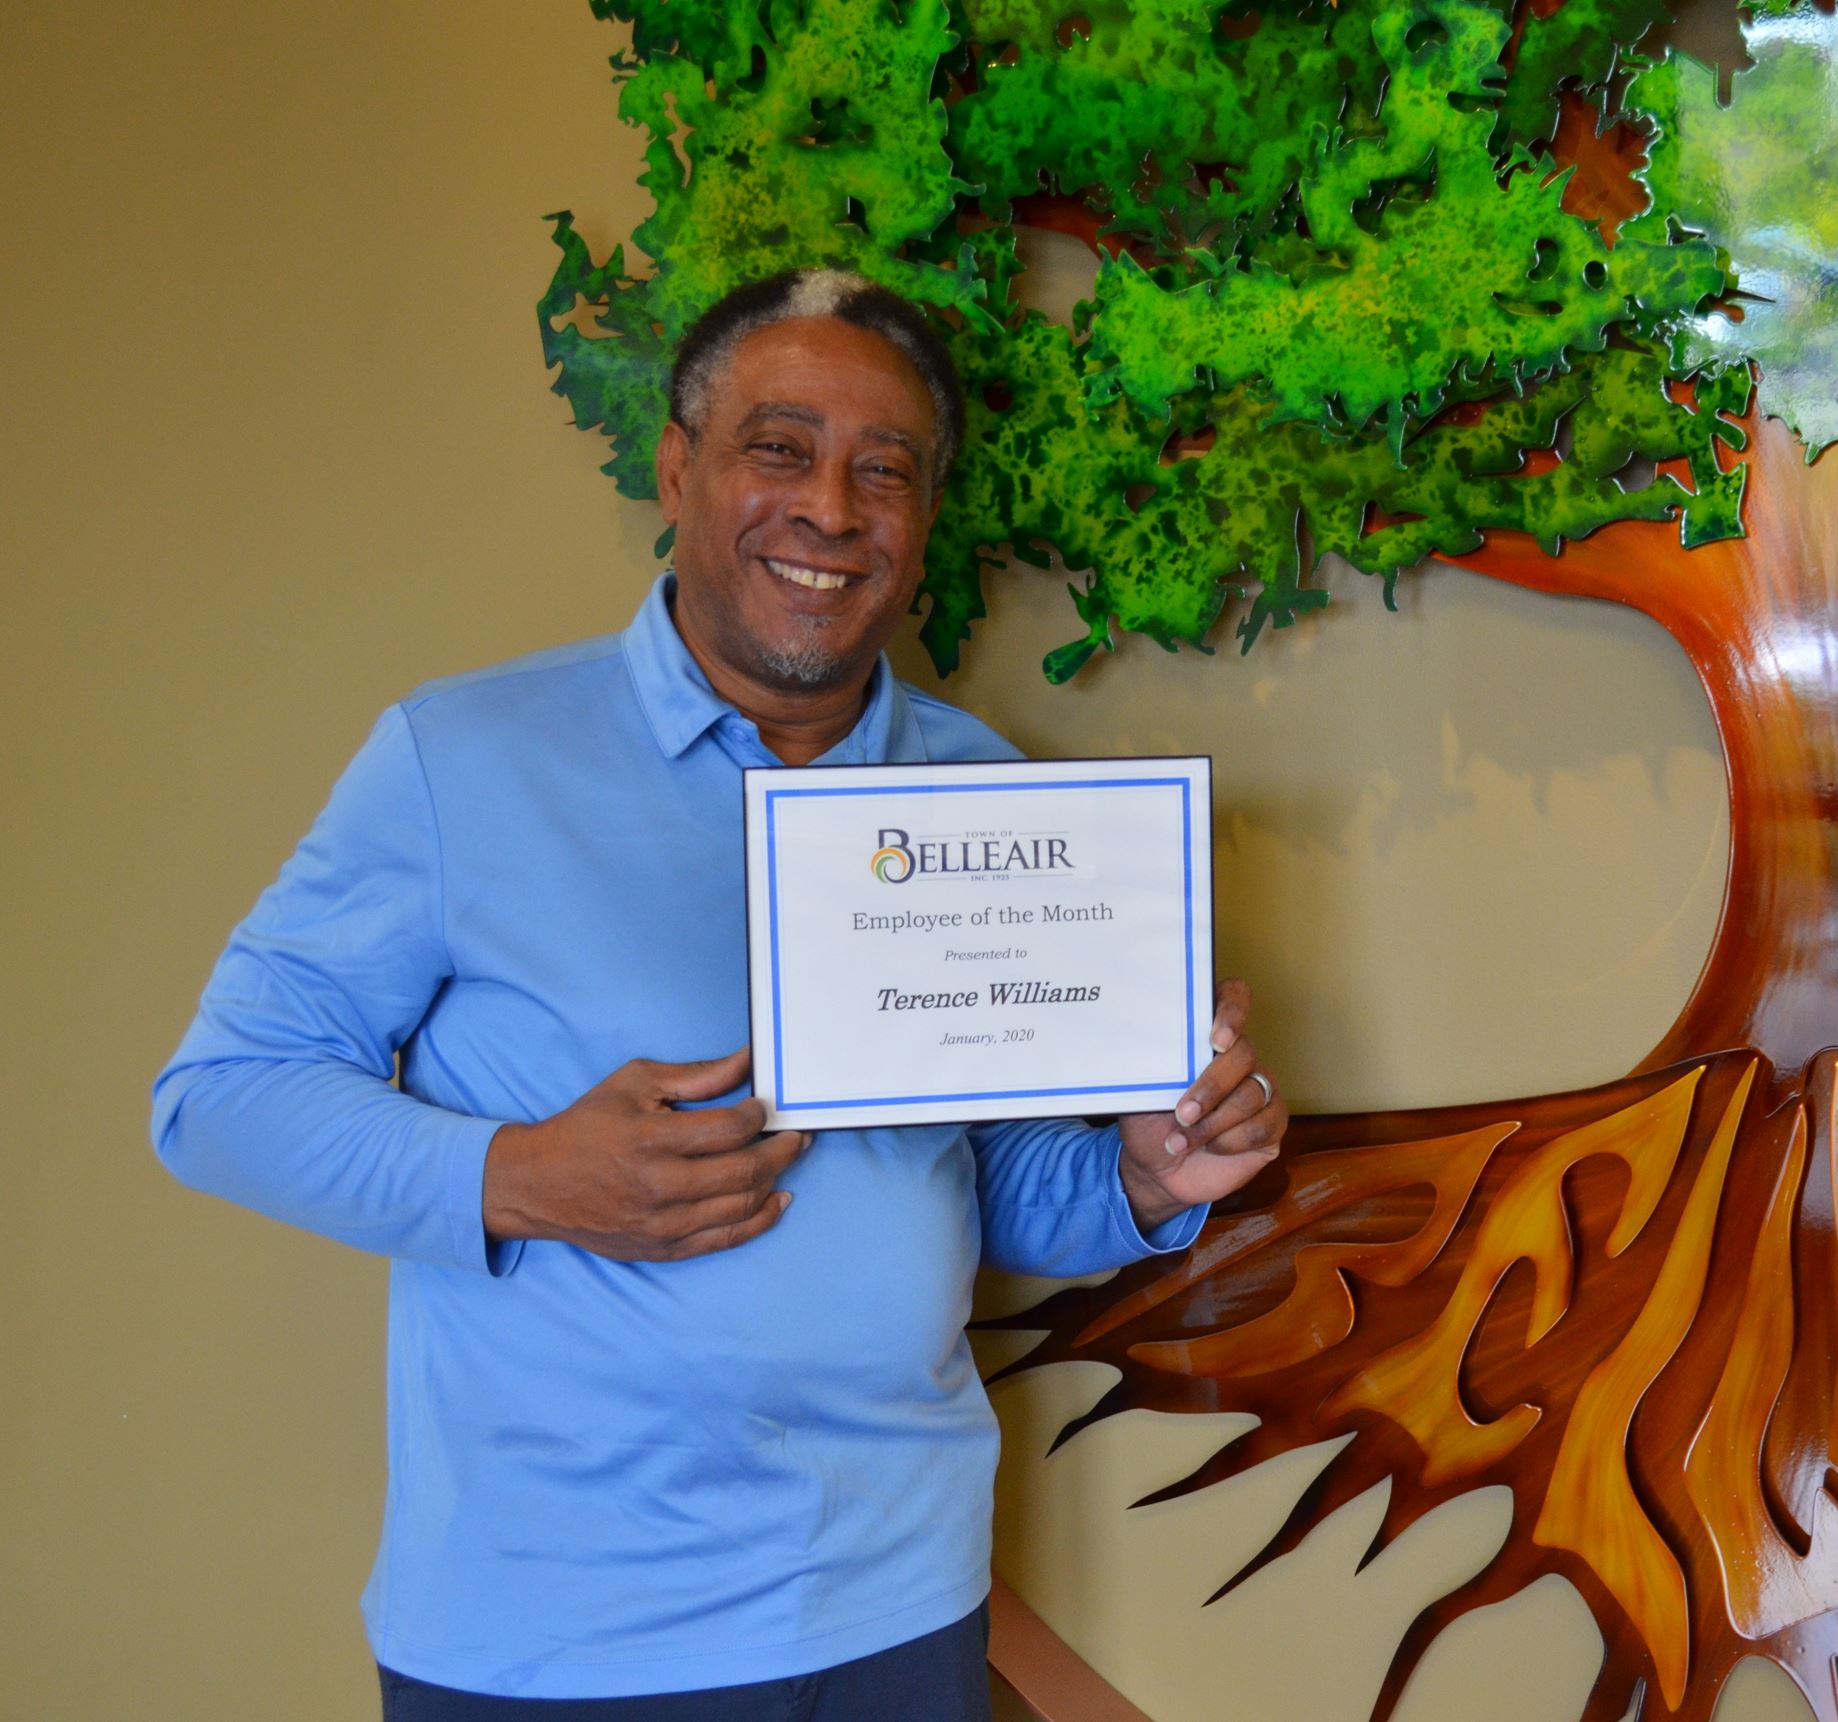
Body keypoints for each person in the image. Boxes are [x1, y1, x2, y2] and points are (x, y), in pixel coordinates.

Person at [152, 268, 1288, 1719]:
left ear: (923, 519)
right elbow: (217, 1098)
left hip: (904, 1607)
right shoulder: (462, 759)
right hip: (562, 1640)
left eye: (885, 470)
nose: (831, 508)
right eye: (780, 448)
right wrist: (518, 1175)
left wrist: (1142, 1176)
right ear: (679, 470)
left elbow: (970, 1175)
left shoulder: (982, 785)